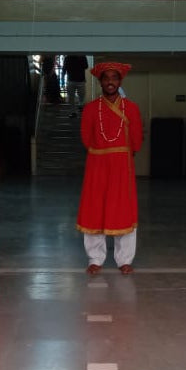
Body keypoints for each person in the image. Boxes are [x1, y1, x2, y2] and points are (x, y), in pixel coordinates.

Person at [76, 61, 143, 274]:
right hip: (97, 165)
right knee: (94, 209)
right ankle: (95, 259)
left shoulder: (131, 108)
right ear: (100, 82)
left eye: (114, 78)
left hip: (122, 166)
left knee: (122, 209)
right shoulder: (90, 109)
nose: (110, 82)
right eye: (106, 78)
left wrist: (122, 155)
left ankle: (125, 260)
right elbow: (86, 137)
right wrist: (102, 152)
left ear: (120, 81)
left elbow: (137, 139)